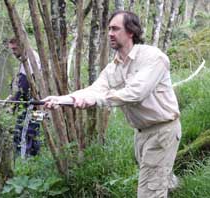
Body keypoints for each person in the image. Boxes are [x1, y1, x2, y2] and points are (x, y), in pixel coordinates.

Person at [43, 11, 181, 198]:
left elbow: (135, 93)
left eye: (115, 29)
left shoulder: (153, 57)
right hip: (141, 135)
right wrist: (61, 100)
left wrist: (98, 100)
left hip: (162, 131)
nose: (110, 34)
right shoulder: (114, 67)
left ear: (131, 31)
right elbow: (95, 89)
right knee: (157, 181)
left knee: (149, 192)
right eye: (108, 29)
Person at [7, 37, 41, 156]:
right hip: (38, 104)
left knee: (23, 133)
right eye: (11, 49)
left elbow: (25, 87)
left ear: (22, 46)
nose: (13, 52)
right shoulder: (28, 58)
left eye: (15, 49)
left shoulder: (30, 60)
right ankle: (34, 159)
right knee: (35, 132)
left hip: (32, 105)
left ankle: (24, 163)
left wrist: (13, 106)